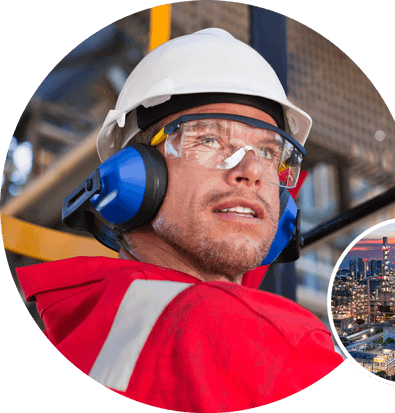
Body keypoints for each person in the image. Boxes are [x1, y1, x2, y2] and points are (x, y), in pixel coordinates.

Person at [16, 28, 343, 412]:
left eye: (270, 153)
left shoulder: (92, 329)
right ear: (135, 176)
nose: (253, 172)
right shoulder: (273, 340)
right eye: (208, 140)